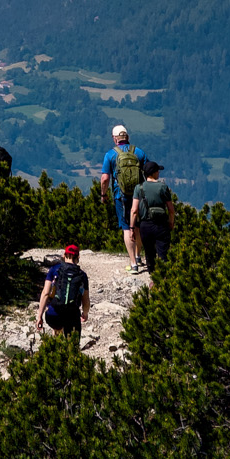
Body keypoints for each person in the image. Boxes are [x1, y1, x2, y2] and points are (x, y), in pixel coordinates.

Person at [101, 124, 144, 272]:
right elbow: (150, 172)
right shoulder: (138, 152)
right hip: (139, 194)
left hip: (121, 195)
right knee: (137, 225)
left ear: (115, 138)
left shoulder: (110, 155)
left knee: (126, 227)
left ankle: (133, 264)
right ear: (127, 137)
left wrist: (104, 194)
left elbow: (105, 178)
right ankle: (139, 256)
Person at [130, 162, 176, 276]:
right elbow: (171, 209)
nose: (159, 173)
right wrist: (171, 222)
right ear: (154, 173)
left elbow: (134, 210)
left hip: (145, 225)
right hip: (161, 225)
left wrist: (132, 228)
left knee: (149, 254)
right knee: (163, 253)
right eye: (157, 171)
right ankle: (164, 280)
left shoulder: (139, 188)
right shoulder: (163, 187)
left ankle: (152, 277)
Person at [37, 242, 91, 340]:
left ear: (64, 255)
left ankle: (57, 341)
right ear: (78, 257)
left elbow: (45, 293)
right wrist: (85, 313)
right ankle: (70, 349)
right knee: (72, 337)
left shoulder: (54, 270)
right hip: (72, 316)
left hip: (53, 316)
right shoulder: (82, 275)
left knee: (57, 326)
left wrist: (39, 316)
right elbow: (86, 301)